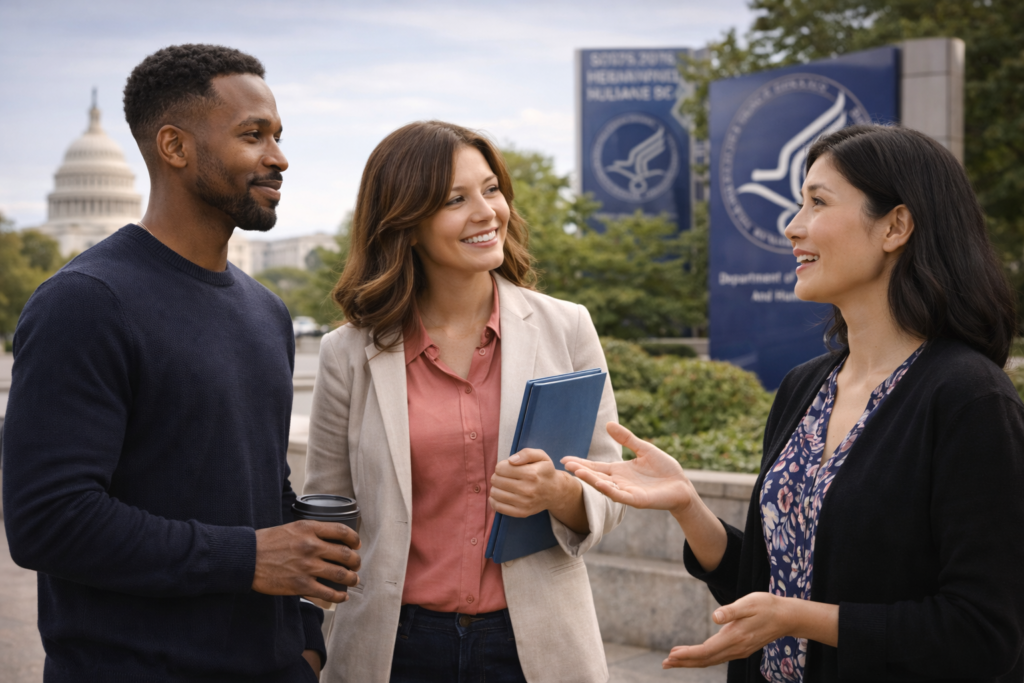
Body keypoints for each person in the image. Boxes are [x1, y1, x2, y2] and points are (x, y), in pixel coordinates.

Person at [566, 124, 1024, 682]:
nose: (792, 227)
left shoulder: (969, 398)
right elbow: (770, 588)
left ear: (896, 226)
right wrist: (687, 505)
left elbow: (984, 634)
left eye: (817, 202)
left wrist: (802, 619)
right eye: (798, 203)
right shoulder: (805, 387)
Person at [2, 44, 361, 682]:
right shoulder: (85, 304)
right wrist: (245, 558)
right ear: (174, 147)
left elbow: (264, 487)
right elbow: (47, 522)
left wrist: (304, 640)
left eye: (278, 136)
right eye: (252, 136)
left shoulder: (266, 311)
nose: (278, 157)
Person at [301, 120, 624, 683]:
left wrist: (558, 492)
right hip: (392, 647)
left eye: (491, 189)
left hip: (536, 647)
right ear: (405, 223)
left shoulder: (568, 327)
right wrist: (303, 639)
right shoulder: (346, 353)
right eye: (456, 199)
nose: (486, 212)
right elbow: (329, 515)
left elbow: (610, 489)